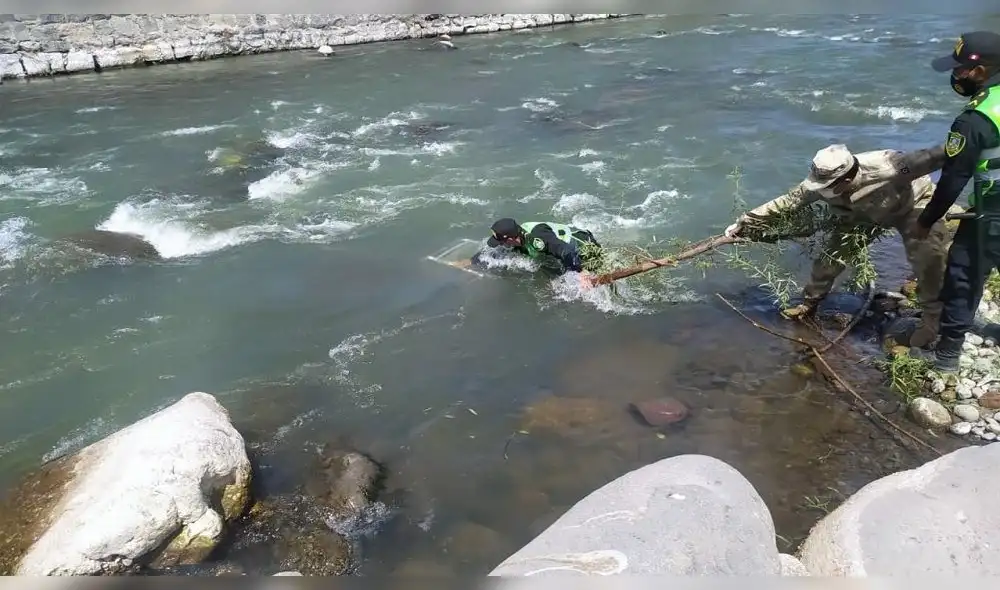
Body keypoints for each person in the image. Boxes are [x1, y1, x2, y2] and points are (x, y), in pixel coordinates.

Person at [724, 141, 949, 347]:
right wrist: (747, 222)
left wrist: (975, 151)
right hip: (860, 216)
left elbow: (940, 154)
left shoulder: (892, 167)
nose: (822, 190)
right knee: (828, 261)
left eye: (829, 185)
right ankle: (809, 304)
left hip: (911, 205)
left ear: (848, 178)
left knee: (928, 258)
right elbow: (788, 202)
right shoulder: (818, 182)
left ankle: (931, 321)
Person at [909, 31, 1000, 372]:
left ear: (981, 71)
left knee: (964, 275)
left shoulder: (975, 119)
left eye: (961, 69)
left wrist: (925, 221)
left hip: (993, 212)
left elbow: (953, 179)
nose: (956, 76)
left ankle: (947, 356)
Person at [471, 217, 602, 286]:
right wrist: (472, 261)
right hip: (563, 249)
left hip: (582, 246)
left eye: (502, 242)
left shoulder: (537, 239)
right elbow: (496, 253)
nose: (501, 245)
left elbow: (565, 250)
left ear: (511, 238)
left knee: (572, 282)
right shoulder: (516, 238)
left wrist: (582, 273)